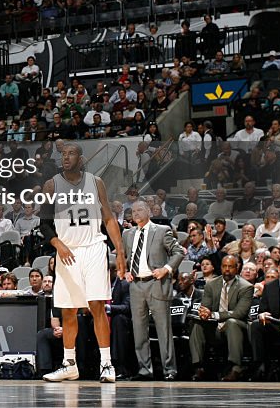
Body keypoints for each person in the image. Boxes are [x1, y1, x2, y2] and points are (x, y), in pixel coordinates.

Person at [41, 142, 126, 384]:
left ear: (81, 158)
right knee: (68, 311)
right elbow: (43, 224)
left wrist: (119, 252)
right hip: (67, 251)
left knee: (97, 306)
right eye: (63, 154)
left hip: (94, 247)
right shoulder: (52, 185)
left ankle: (107, 364)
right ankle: (69, 364)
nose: (66, 158)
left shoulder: (95, 182)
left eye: (71, 154)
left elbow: (108, 218)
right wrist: (58, 244)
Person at [122, 200, 184, 381]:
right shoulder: (128, 234)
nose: (136, 213)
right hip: (136, 285)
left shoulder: (161, 230)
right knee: (139, 330)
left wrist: (166, 269)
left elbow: (179, 252)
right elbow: (127, 257)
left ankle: (169, 369)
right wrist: (126, 270)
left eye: (140, 209)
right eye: (133, 211)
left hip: (156, 283)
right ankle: (144, 369)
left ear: (149, 211)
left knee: (163, 329)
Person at [189, 254, 253, 381]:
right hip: (215, 328)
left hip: (238, 329)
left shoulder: (246, 287)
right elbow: (205, 308)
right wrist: (204, 313)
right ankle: (198, 367)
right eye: (224, 266)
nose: (227, 269)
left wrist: (213, 314)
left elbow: (239, 313)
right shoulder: (211, 285)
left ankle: (236, 368)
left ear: (237, 268)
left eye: (230, 266)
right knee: (198, 324)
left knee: (232, 322)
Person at [250, 257, 280, 379]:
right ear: (278, 269)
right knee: (256, 325)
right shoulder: (270, 288)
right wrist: (262, 315)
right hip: (275, 326)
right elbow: (262, 310)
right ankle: (260, 365)